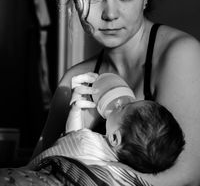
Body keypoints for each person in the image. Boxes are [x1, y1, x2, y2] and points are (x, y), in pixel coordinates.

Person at [31, 0, 200, 186]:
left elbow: (186, 175)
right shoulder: (75, 80)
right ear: (75, 1)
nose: (110, 14)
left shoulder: (180, 54)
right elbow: (36, 167)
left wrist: (85, 177)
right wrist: (73, 133)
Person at [29, 73, 185, 175]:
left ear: (115, 138)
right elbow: (75, 140)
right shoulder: (120, 172)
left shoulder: (85, 142)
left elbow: (73, 137)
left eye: (123, 107)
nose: (118, 104)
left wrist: (75, 111)